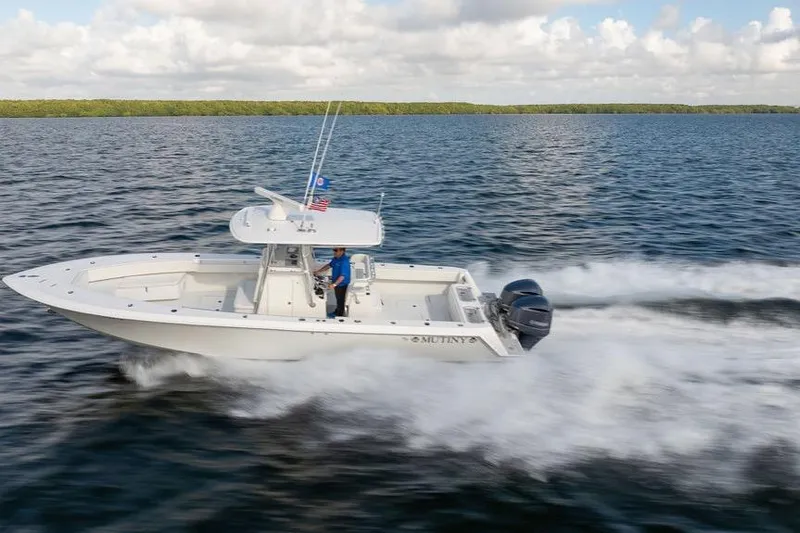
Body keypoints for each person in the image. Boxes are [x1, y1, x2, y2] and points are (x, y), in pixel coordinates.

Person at [314, 247, 351, 318]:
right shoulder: (336, 258)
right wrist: (319, 271)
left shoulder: (344, 261)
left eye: (336, 250)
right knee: (338, 298)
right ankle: (337, 311)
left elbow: (342, 276)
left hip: (342, 284)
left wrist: (334, 284)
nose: (334, 252)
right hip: (336, 282)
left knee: (340, 299)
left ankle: (339, 315)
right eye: (334, 250)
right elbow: (329, 265)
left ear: (342, 251)